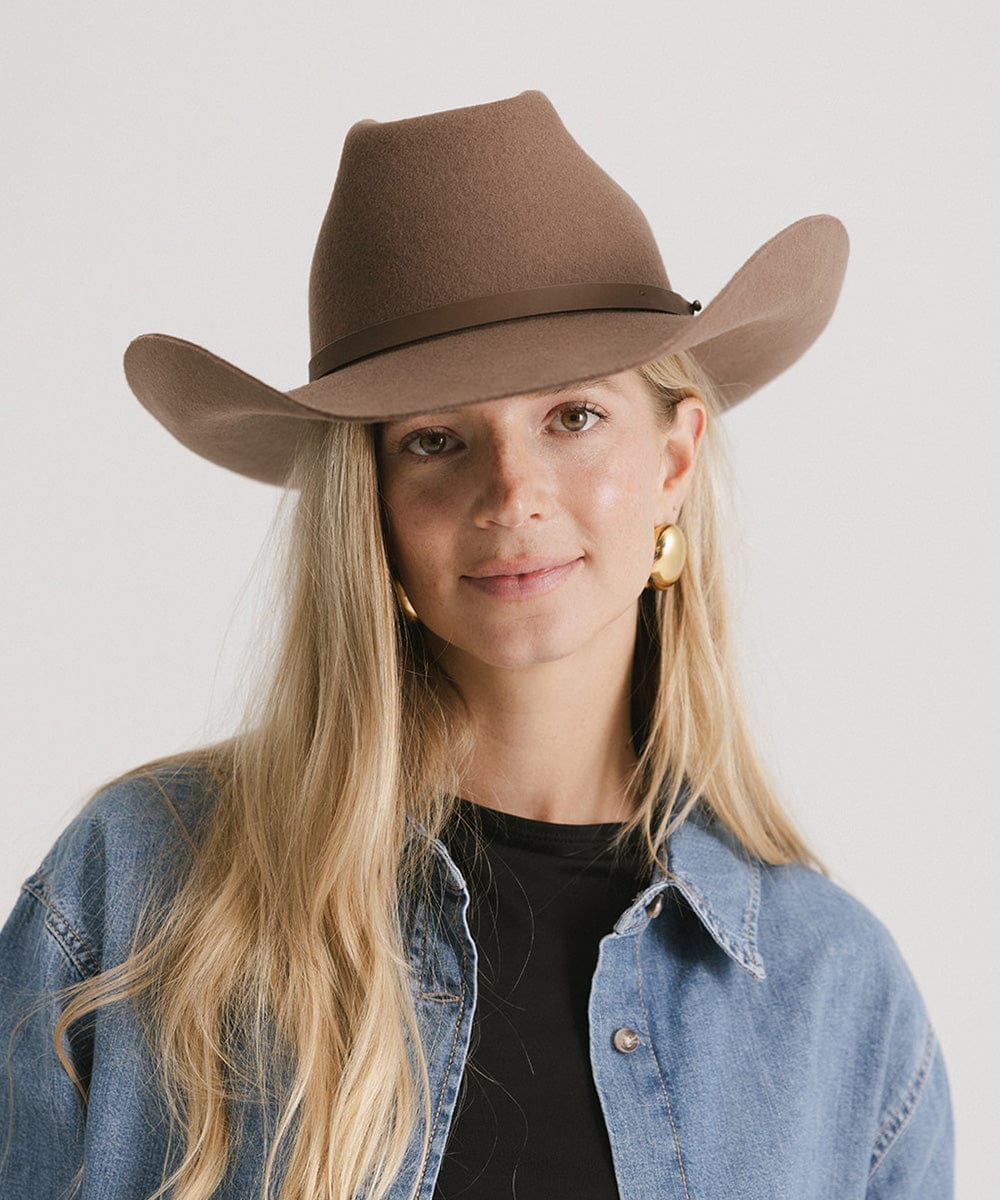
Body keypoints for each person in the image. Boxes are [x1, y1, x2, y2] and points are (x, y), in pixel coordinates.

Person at [0, 89, 953, 1200]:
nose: (511, 492)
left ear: (676, 458)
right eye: (436, 439)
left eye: (574, 416)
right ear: (371, 509)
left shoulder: (835, 995)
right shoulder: (148, 893)